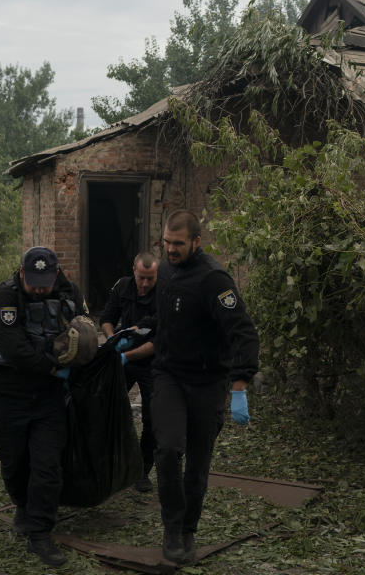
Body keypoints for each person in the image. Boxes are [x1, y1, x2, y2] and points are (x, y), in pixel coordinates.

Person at [152, 210, 259, 564]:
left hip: (207, 382)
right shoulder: (164, 270)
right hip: (169, 375)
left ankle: (187, 530)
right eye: (166, 242)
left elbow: (243, 331)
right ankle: (171, 526)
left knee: (197, 463)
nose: (170, 249)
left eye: (178, 244)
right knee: (168, 449)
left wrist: (239, 385)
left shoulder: (215, 280)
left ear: (197, 242)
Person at [0, 246, 87, 567]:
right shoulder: (4, 298)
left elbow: (81, 330)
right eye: (34, 281)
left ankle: (40, 532)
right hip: (7, 393)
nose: (40, 289)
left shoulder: (68, 293)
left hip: (48, 397)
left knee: (47, 465)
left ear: (55, 275)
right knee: (13, 463)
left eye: (46, 281)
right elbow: (15, 351)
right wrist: (56, 366)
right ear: (21, 273)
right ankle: (24, 505)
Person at [99, 251, 159, 491]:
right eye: (141, 277)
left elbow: (158, 342)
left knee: (153, 420)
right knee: (106, 409)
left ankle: (141, 471)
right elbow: (106, 318)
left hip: (151, 362)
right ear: (134, 270)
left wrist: (127, 355)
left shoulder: (165, 295)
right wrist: (113, 339)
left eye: (150, 278)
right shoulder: (123, 286)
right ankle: (109, 464)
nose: (144, 283)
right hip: (122, 358)